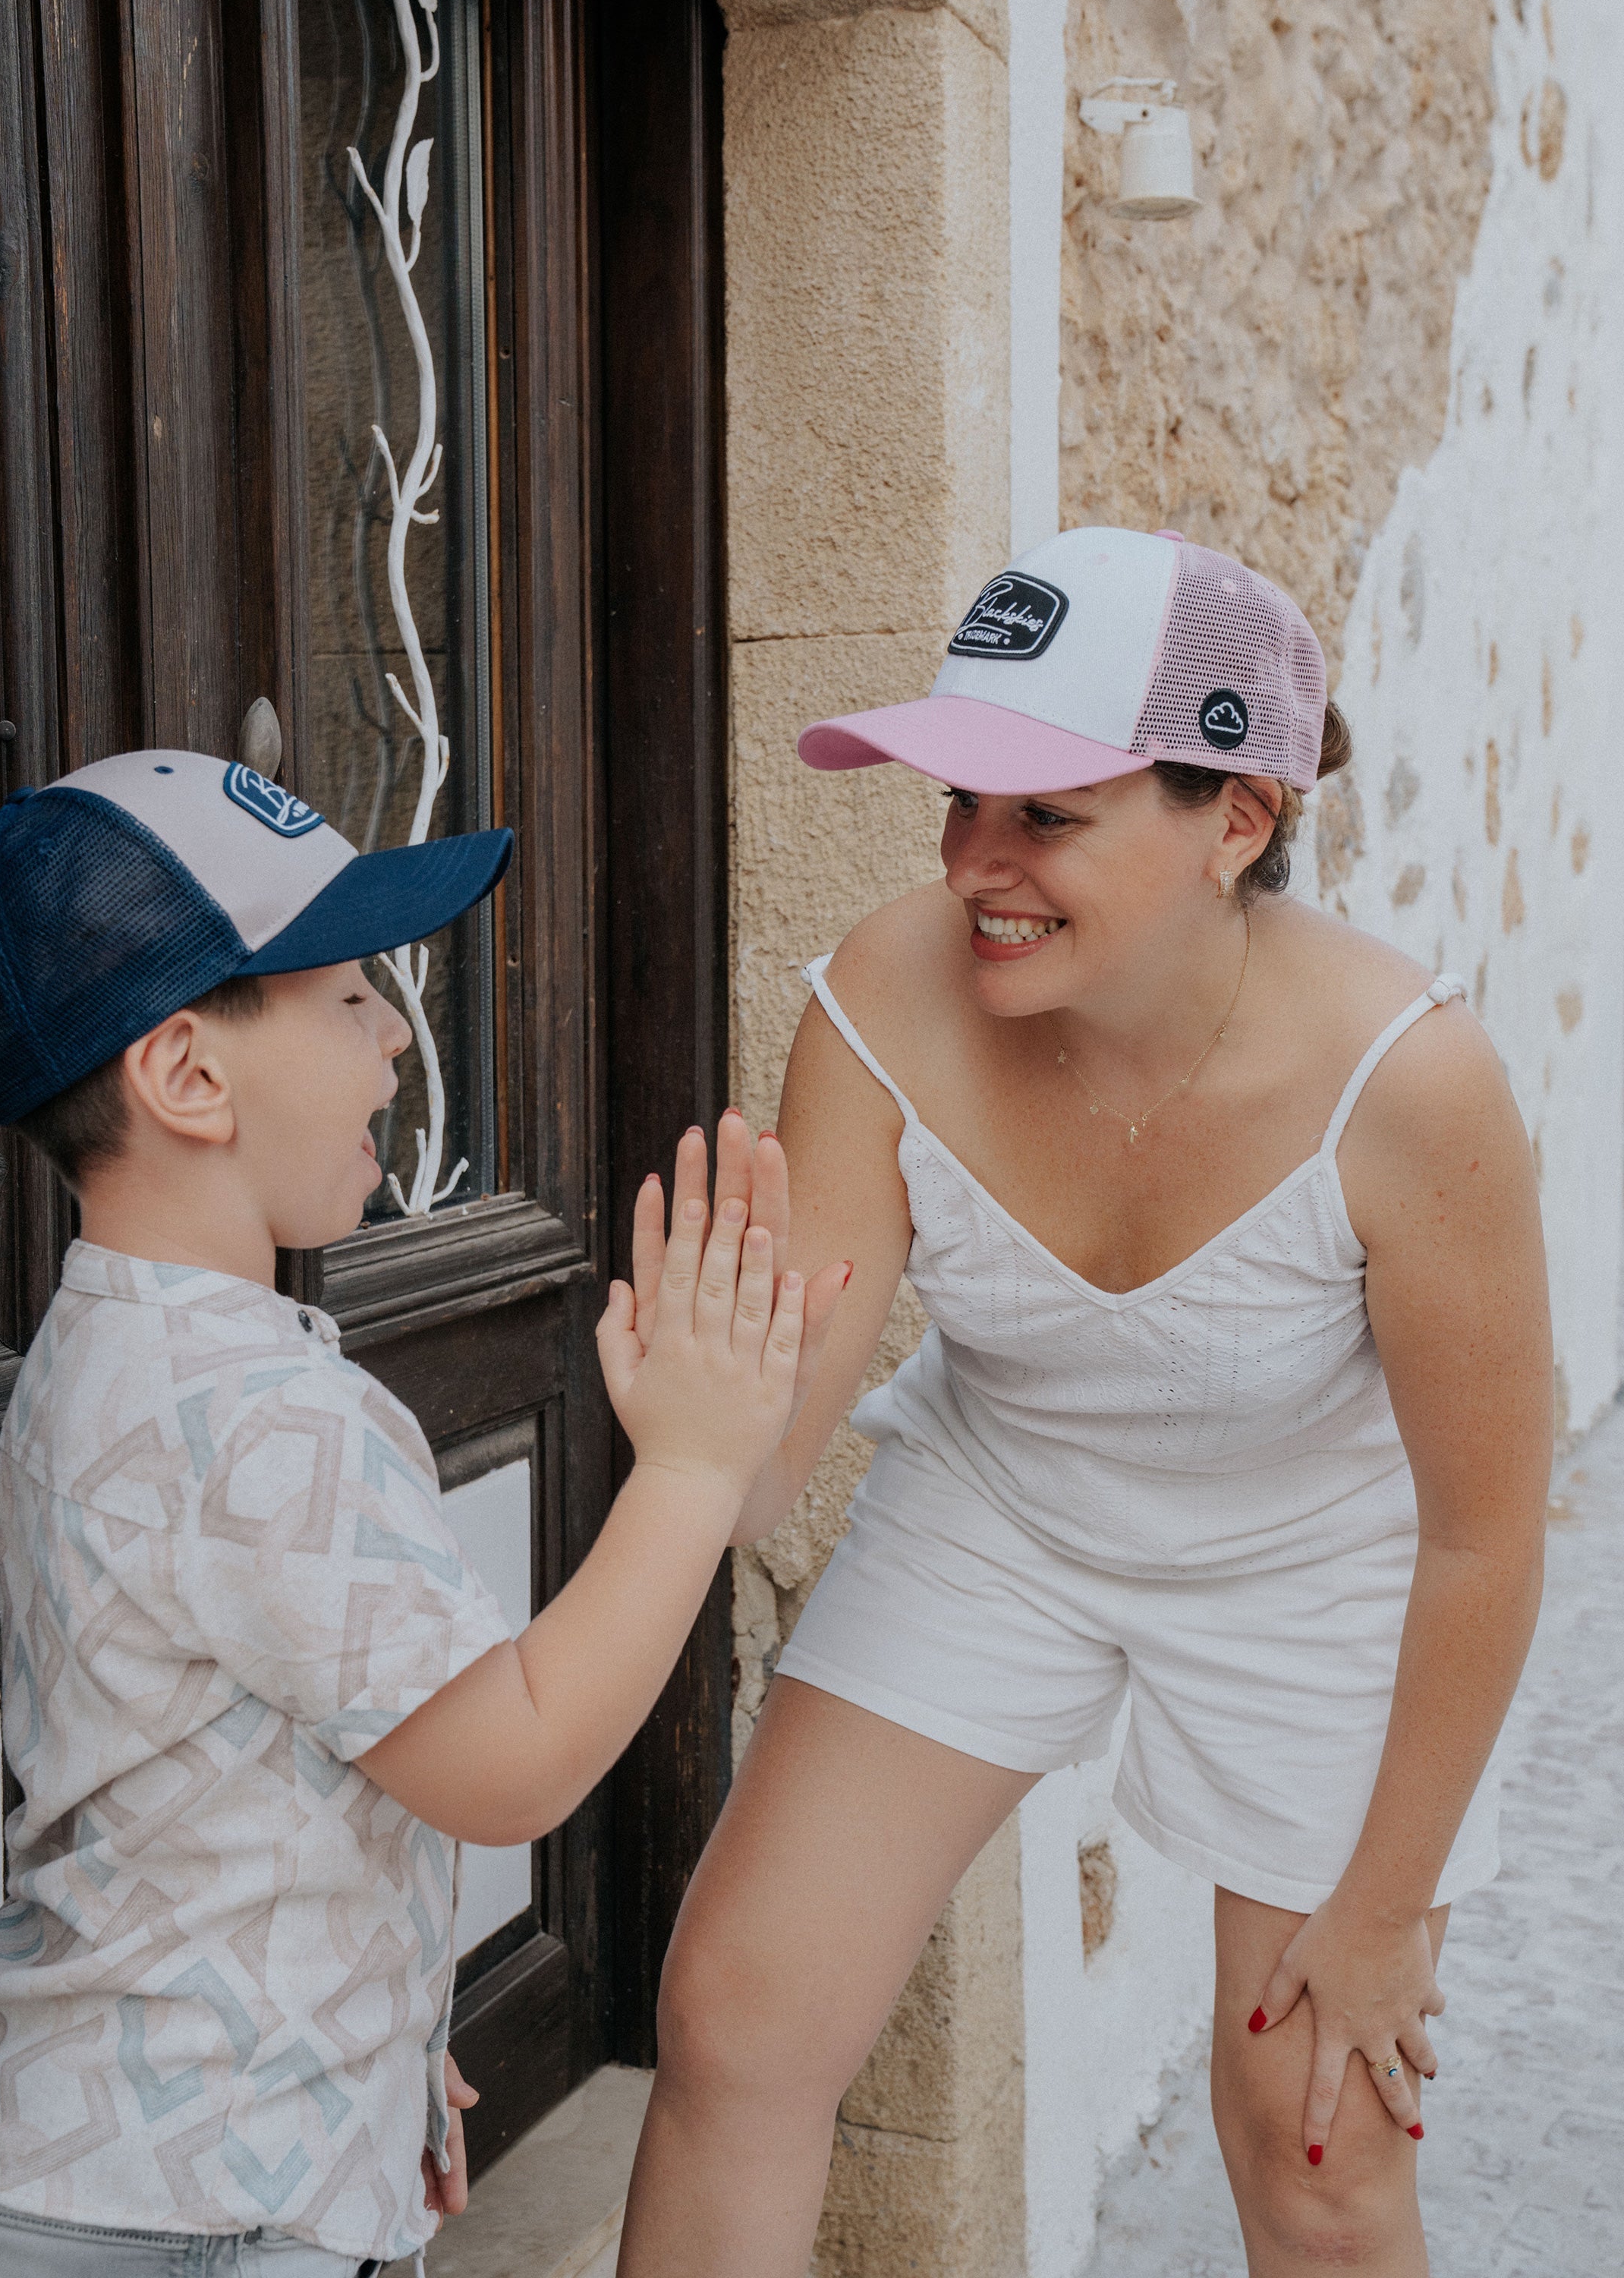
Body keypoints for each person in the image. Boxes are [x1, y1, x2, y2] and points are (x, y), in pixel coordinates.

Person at [618, 528, 1553, 2278]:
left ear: (1238, 820)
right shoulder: (885, 997)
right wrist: (700, 1432)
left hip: (1320, 1558)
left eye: (1045, 814)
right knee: (736, 2018)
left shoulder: (1409, 1083)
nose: (974, 864)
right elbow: (760, 1466)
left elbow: (1486, 1534)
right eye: (958, 799)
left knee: (1317, 2141)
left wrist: (1381, 1909)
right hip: (1002, 1507)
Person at [0, 751, 845, 2278]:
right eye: (347, 996)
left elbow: (207, 1786)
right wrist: (696, 1466)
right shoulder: (261, 1418)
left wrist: (365, 2043)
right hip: (205, 2222)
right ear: (188, 1077)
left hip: (140, 2141)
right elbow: (513, 1763)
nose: (396, 1032)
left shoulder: (98, 1349)